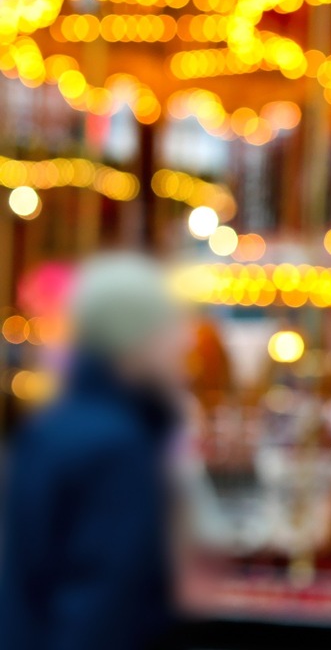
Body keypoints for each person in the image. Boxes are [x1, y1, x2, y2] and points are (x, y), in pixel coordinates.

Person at [0, 253, 188, 650]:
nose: (183, 342)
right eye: (168, 328)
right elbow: (105, 600)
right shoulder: (117, 447)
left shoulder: (53, 429)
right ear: (135, 336)